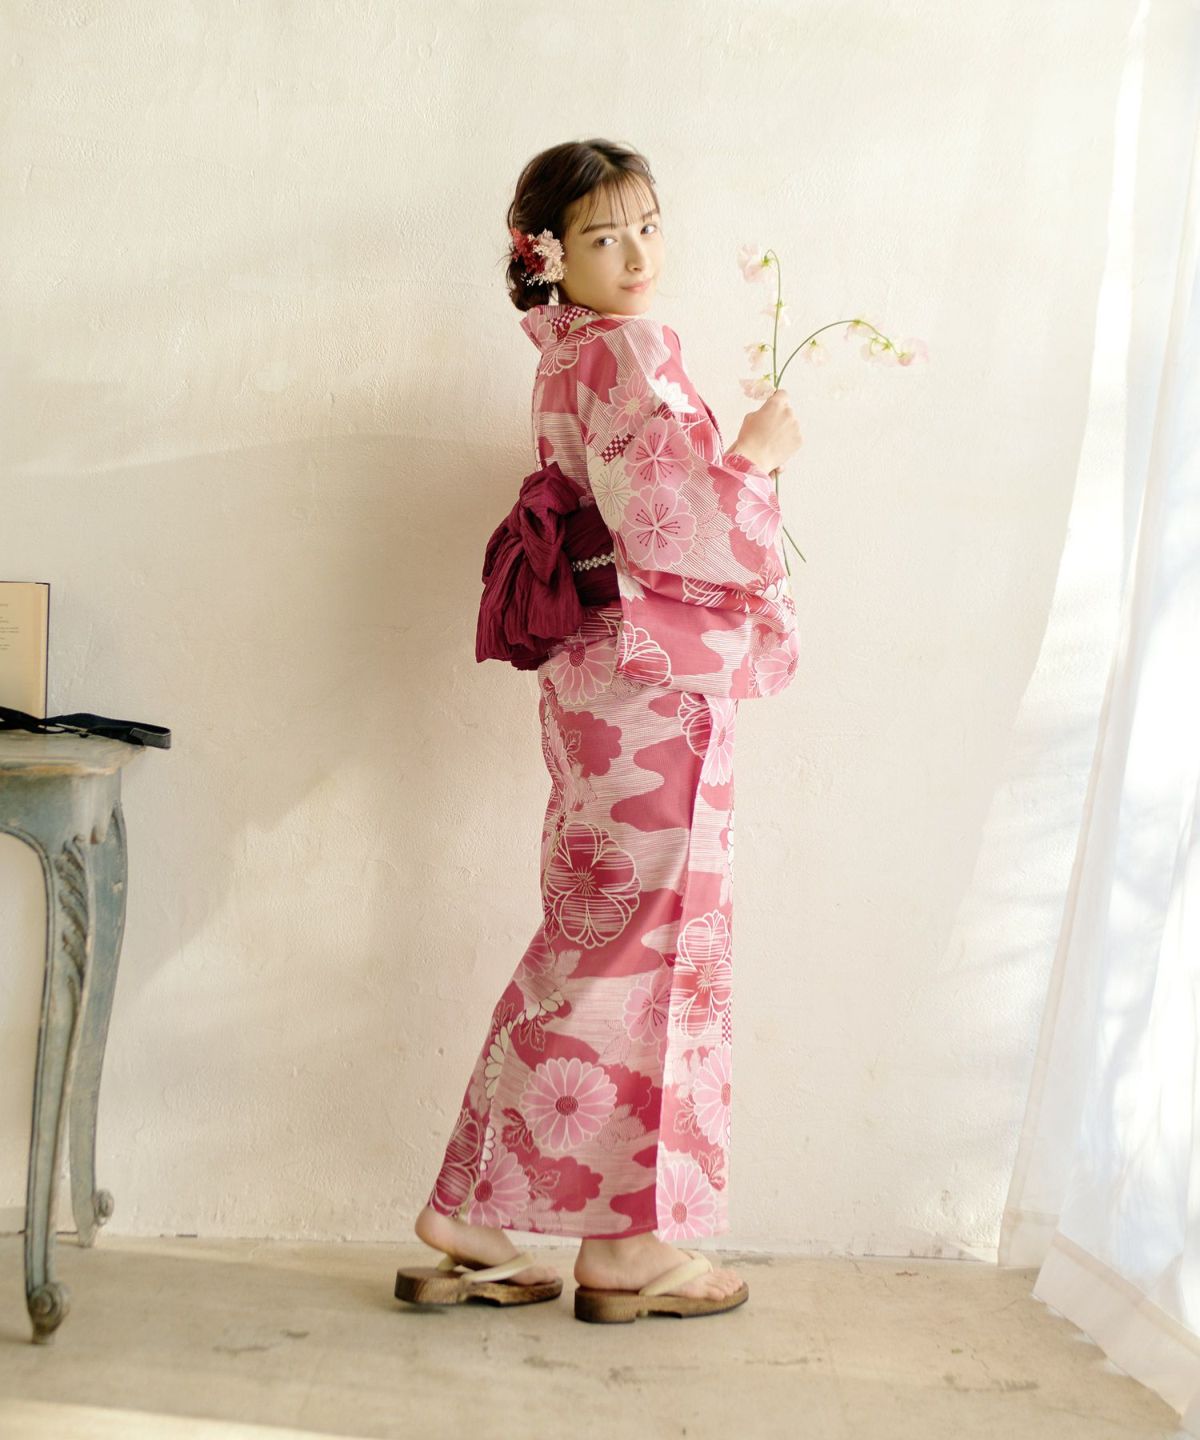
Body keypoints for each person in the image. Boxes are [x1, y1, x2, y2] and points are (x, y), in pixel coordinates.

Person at [396, 139, 803, 1323]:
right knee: (644, 947)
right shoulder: (627, 349)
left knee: (599, 938)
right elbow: (668, 517)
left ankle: (505, 1213)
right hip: (651, 687)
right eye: (601, 236)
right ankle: (617, 1246)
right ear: (549, 256)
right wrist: (757, 460)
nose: (635, 256)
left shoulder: (567, 357)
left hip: (599, 691)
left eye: (648, 226)